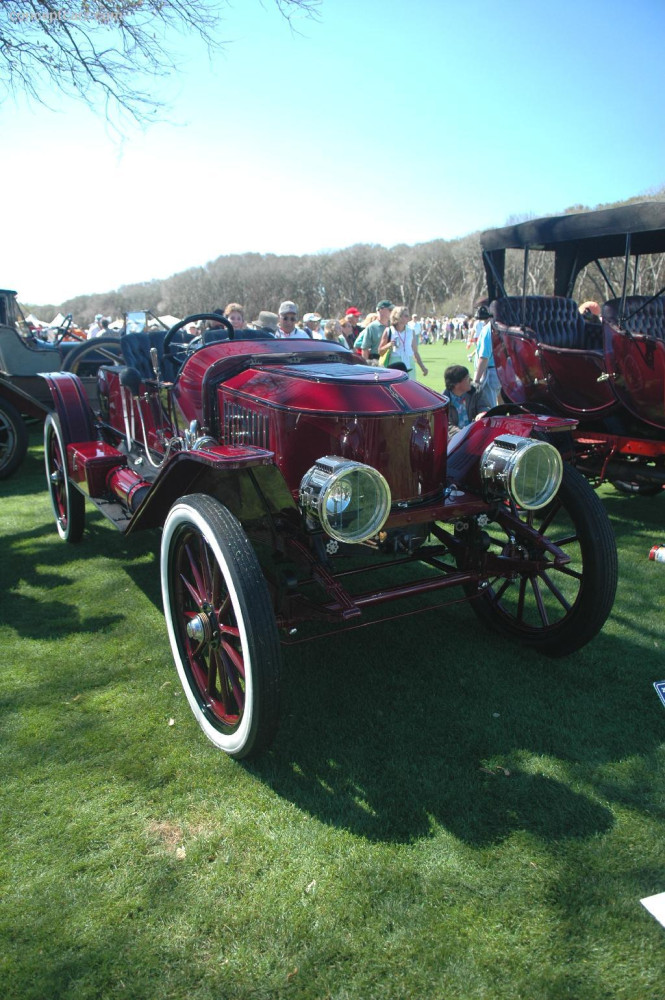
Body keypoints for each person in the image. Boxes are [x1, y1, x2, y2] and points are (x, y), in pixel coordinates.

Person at [378, 306, 429, 378]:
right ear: (398, 316)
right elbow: (380, 351)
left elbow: (415, 352)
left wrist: (423, 367)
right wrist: (389, 345)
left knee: (410, 388)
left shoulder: (411, 331)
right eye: (406, 316)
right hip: (395, 365)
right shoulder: (389, 331)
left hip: (409, 364)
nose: (408, 318)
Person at [473, 304, 500, 409]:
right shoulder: (499, 327)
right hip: (500, 371)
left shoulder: (488, 330)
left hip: (490, 372)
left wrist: (476, 379)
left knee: (490, 407)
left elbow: (484, 357)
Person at [444, 364, 481, 437]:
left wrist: (483, 413)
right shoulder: (443, 402)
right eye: (467, 378)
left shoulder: (475, 391)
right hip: (456, 439)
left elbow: (484, 406)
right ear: (456, 384)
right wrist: (463, 434)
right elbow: (447, 425)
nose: (470, 380)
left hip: (475, 434)